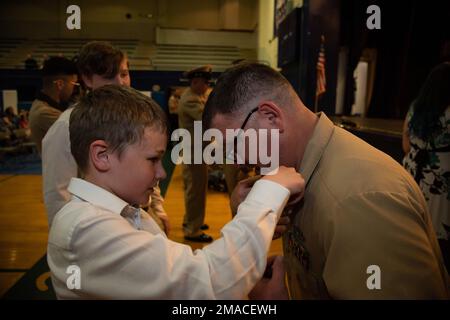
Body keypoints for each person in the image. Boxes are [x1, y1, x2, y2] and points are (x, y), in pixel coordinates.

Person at [203, 63, 449, 299]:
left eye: (234, 146)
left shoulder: (360, 201)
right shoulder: (298, 168)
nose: (235, 162)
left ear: (271, 117)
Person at [47, 84, 305, 299]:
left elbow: (183, 273)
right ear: (102, 156)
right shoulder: (87, 227)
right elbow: (205, 284)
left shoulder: (121, 212)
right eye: (152, 160)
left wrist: (245, 270)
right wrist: (269, 191)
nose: (161, 173)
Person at [42, 41, 169, 234]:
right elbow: (58, 192)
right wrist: (74, 240)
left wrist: (158, 209)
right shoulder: (65, 125)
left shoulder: (133, 116)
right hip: (98, 228)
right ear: (87, 78)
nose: (120, 82)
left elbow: (149, 164)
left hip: (137, 217)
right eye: (109, 75)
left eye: (124, 73)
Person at [402, 62, 450, 271]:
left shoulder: (416, 106)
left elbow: (405, 143)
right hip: (440, 181)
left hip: (411, 173)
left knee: (411, 229)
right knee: (438, 238)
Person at [178, 65, 213, 242]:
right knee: (196, 191)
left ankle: (191, 221)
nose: (208, 85)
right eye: (205, 82)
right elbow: (208, 120)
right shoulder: (190, 100)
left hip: (197, 151)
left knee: (196, 190)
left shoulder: (197, 95)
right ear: (196, 82)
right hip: (194, 153)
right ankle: (193, 230)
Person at [29, 56, 78, 154]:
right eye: (74, 84)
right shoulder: (44, 113)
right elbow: (85, 134)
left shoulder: (42, 105)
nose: (74, 89)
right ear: (60, 84)